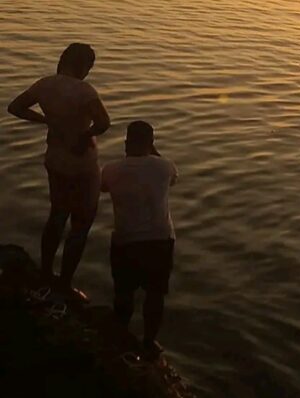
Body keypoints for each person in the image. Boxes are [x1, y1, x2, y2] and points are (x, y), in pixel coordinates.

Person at [7, 43, 110, 298]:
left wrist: (46, 120)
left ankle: (45, 272)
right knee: (81, 223)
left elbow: (15, 107)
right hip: (82, 163)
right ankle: (64, 283)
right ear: (84, 66)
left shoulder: (44, 84)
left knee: (57, 215)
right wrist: (84, 135)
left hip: (55, 158)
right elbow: (103, 123)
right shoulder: (84, 91)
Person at [101, 121, 178, 359]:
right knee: (155, 295)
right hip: (160, 240)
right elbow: (173, 180)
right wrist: (152, 151)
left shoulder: (111, 169)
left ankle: (122, 337)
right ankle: (149, 342)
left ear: (126, 142)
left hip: (125, 241)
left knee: (123, 293)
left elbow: (103, 188)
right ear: (151, 143)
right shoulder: (165, 167)